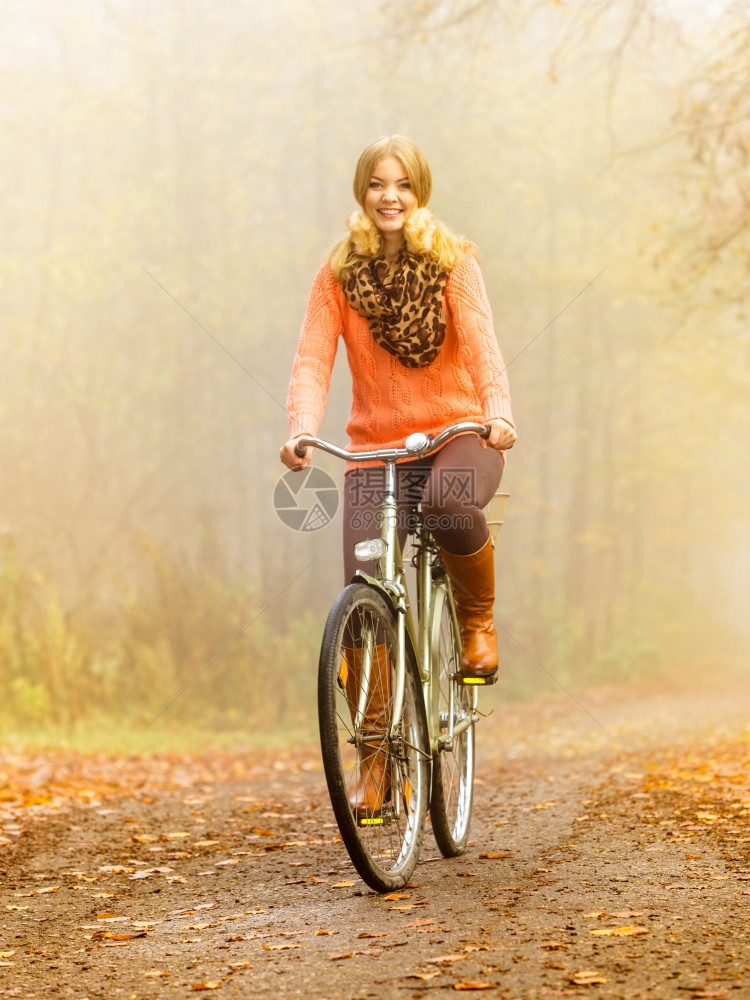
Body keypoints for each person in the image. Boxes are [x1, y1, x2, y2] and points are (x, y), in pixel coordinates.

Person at [279, 136, 515, 810]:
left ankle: (476, 623)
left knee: (451, 505)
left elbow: (484, 346)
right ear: (362, 192)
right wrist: (300, 426)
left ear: (420, 193)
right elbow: (312, 361)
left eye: (403, 185)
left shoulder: (453, 263)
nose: (390, 196)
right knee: (363, 590)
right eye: (378, 184)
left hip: (459, 433)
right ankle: (379, 764)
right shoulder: (337, 275)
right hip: (376, 450)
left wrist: (497, 412)